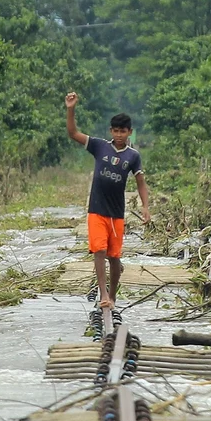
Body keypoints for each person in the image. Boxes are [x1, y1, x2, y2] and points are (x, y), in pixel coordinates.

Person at [65, 91, 150, 309]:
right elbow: (73, 132)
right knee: (99, 251)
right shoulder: (99, 146)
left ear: (129, 132)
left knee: (114, 257)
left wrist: (145, 208)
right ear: (110, 131)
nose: (119, 135)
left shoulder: (133, 156)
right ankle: (103, 295)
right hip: (97, 210)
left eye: (123, 131)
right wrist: (71, 108)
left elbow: (140, 182)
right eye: (116, 131)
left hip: (116, 213)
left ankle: (112, 295)